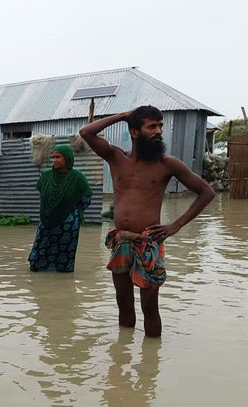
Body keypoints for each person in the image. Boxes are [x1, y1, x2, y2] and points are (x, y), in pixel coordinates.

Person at [79, 105, 214, 337]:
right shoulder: (116, 157)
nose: (158, 131)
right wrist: (122, 114)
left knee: (150, 307)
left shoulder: (167, 164)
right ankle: (122, 360)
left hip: (149, 242)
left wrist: (176, 225)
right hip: (121, 241)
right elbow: (86, 133)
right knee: (123, 302)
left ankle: (150, 366)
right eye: (152, 126)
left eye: (160, 126)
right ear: (134, 132)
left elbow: (206, 192)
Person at [28, 145, 92, 272]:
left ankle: (62, 284)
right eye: (53, 157)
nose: (55, 160)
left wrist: (70, 213)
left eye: (58, 157)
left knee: (64, 253)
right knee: (40, 252)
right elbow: (43, 196)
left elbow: (86, 199)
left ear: (67, 158)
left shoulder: (77, 178)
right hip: (46, 220)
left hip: (68, 224)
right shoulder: (46, 176)